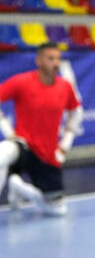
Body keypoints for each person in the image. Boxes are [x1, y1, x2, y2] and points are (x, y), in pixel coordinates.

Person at [0, 42, 83, 216]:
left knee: (58, 210)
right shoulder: (22, 82)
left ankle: (20, 188)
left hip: (47, 156)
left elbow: (76, 112)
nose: (56, 63)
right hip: (23, 147)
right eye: (50, 58)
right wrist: (8, 132)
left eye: (58, 59)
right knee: (3, 152)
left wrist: (65, 144)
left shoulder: (65, 87)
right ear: (39, 61)